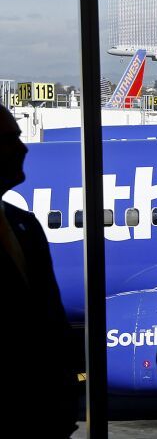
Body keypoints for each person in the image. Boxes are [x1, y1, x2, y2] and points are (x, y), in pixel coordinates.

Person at [0, 105, 77, 438]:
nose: (24, 148)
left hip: (43, 414)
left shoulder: (24, 225)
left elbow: (52, 320)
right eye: (9, 140)